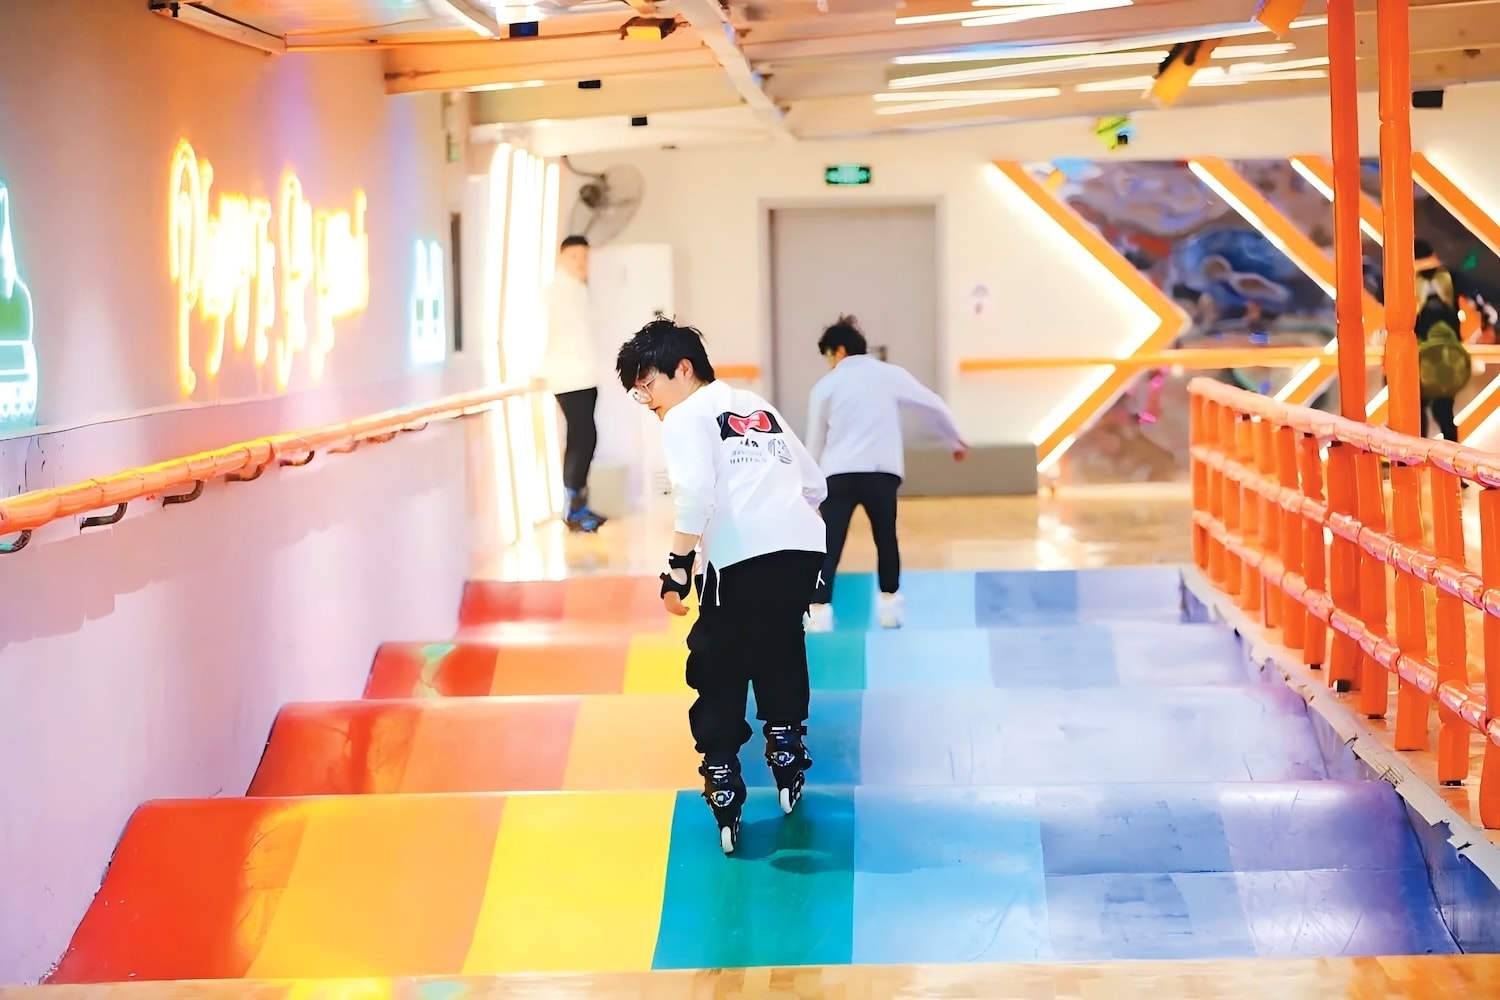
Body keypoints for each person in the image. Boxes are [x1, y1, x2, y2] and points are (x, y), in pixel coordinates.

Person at [616, 317, 827, 854]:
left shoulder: (685, 417)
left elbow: (695, 496)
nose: (648, 401)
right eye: (638, 393)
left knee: (718, 659)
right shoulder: (758, 405)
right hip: (802, 552)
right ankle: (786, 747)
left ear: (683, 369)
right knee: (781, 644)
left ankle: (722, 771)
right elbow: (815, 484)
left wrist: (677, 569)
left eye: (648, 385)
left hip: (739, 558)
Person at [803, 315, 966, 631]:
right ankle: (890, 605)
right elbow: (932, 404)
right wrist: (954, 438)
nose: (829, 364)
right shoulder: (891, 375)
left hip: (837, 473)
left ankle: (819, 611)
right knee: (886, 538)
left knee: (829, 543)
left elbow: (814, 442)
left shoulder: (825, 386)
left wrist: (808, 491)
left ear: (839, 350)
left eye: (828, 356)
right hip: (881, 473)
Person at [540, 234, 607, 532]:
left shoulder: (581, 291)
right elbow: (540, 334)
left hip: (586, 374)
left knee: (586, 437)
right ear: (561, 258)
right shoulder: (552, 293)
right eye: (574, 257)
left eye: (584, 257)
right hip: (568, 378)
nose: (580, 263)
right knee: (582, 438)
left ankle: (580, 505)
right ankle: (573, 509)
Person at [1413, 238, 1466, 442]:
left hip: (1421, 355)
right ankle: (1453, 458)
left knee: (1419, 411)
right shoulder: (1449, 276)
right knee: (1442, 412)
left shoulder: (1408, 281)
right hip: (1447, 355)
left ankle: (1416, 458)